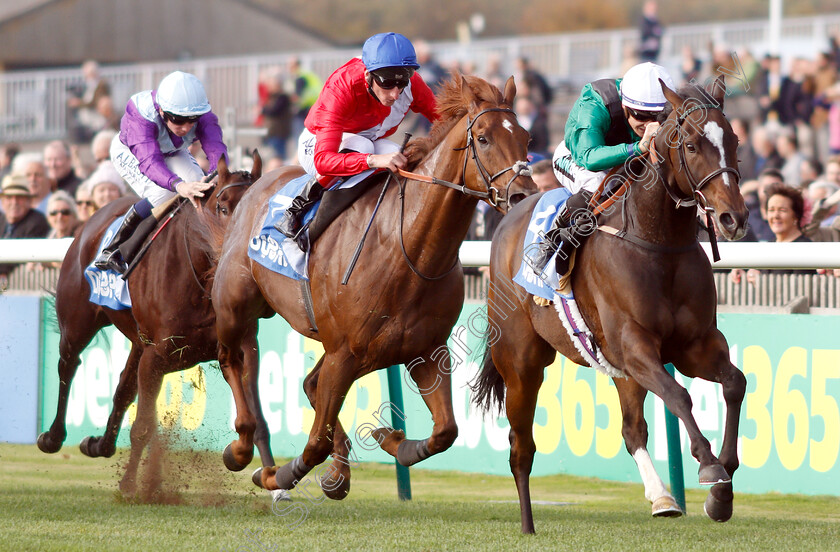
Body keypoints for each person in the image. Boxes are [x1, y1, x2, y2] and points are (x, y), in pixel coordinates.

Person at [276, 32, 439, 243]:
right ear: (368, 75)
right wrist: (373, 161)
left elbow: (445, 118)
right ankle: (299, 210)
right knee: (364, 147)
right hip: (317, 145)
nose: (395, 94)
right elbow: (323, 160)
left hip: (367, 143)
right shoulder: (341, 87)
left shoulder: (412, 83)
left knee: (401, 157)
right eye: (387, 84)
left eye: (402, 83)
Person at [531, 62, 676, 275]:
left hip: (624, 158)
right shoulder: (595, 104)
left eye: (658, 117)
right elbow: (589, 157)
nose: (650, 125)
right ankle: (554, 237)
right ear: (626, 106)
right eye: (642, 116)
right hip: (576, 157)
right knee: (597, 182)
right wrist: (638, 146)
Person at [93, 71, 228, 274]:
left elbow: (216, 146)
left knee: (201, 187)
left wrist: (217, 172)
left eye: (193, 121)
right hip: (132, 152)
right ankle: (113, 248)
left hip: (172, 151)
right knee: (163, 193)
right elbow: (150, 161)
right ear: (162, 111)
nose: (186, 127)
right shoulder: (142, 113)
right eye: (179, 120)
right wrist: (179, 185)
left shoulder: (203, 113)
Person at [730, 184, 813, 285]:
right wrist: (743, 275)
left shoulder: (805, 248)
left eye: (782, 210)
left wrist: (763, 282)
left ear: (796, 216)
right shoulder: (767, 247)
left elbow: (800, 288)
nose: (775, 216)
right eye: (771, 210)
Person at [0, 173, 51, 282]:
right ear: (3, 202)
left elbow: (18, 261)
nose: (14, 203)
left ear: (29, 201)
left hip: (22, 285)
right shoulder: (1, 219)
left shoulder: (37, 222)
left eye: (19, 198)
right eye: (9, 197)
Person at [27, 190, 81, 272]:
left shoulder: (80, 237)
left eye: (65, 212)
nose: (59, 217)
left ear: (73, 216)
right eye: (54, 213)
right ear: (48, 218)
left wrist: (48, 262)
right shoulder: (45, 241)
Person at [66, 60, 111, 144]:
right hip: (90, 110)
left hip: (96, 112)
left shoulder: (101, 85)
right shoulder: (92, 85)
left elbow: (94, 102)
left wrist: (79, 103)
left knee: (83, 116)